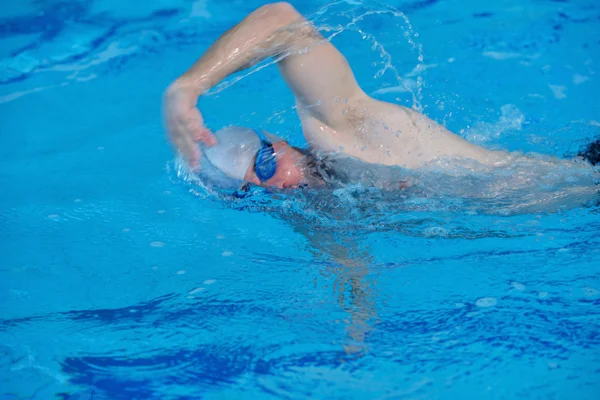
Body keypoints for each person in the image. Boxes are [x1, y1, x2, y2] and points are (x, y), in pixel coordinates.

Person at [163, 2, 598, 190]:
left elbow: (282, 23)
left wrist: (187, 86)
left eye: (264, 163)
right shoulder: (328, 191)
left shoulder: (341, 129)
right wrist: (357, 312)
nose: (275, 185)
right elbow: (338, 245)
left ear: (278, 142)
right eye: (253, 190)